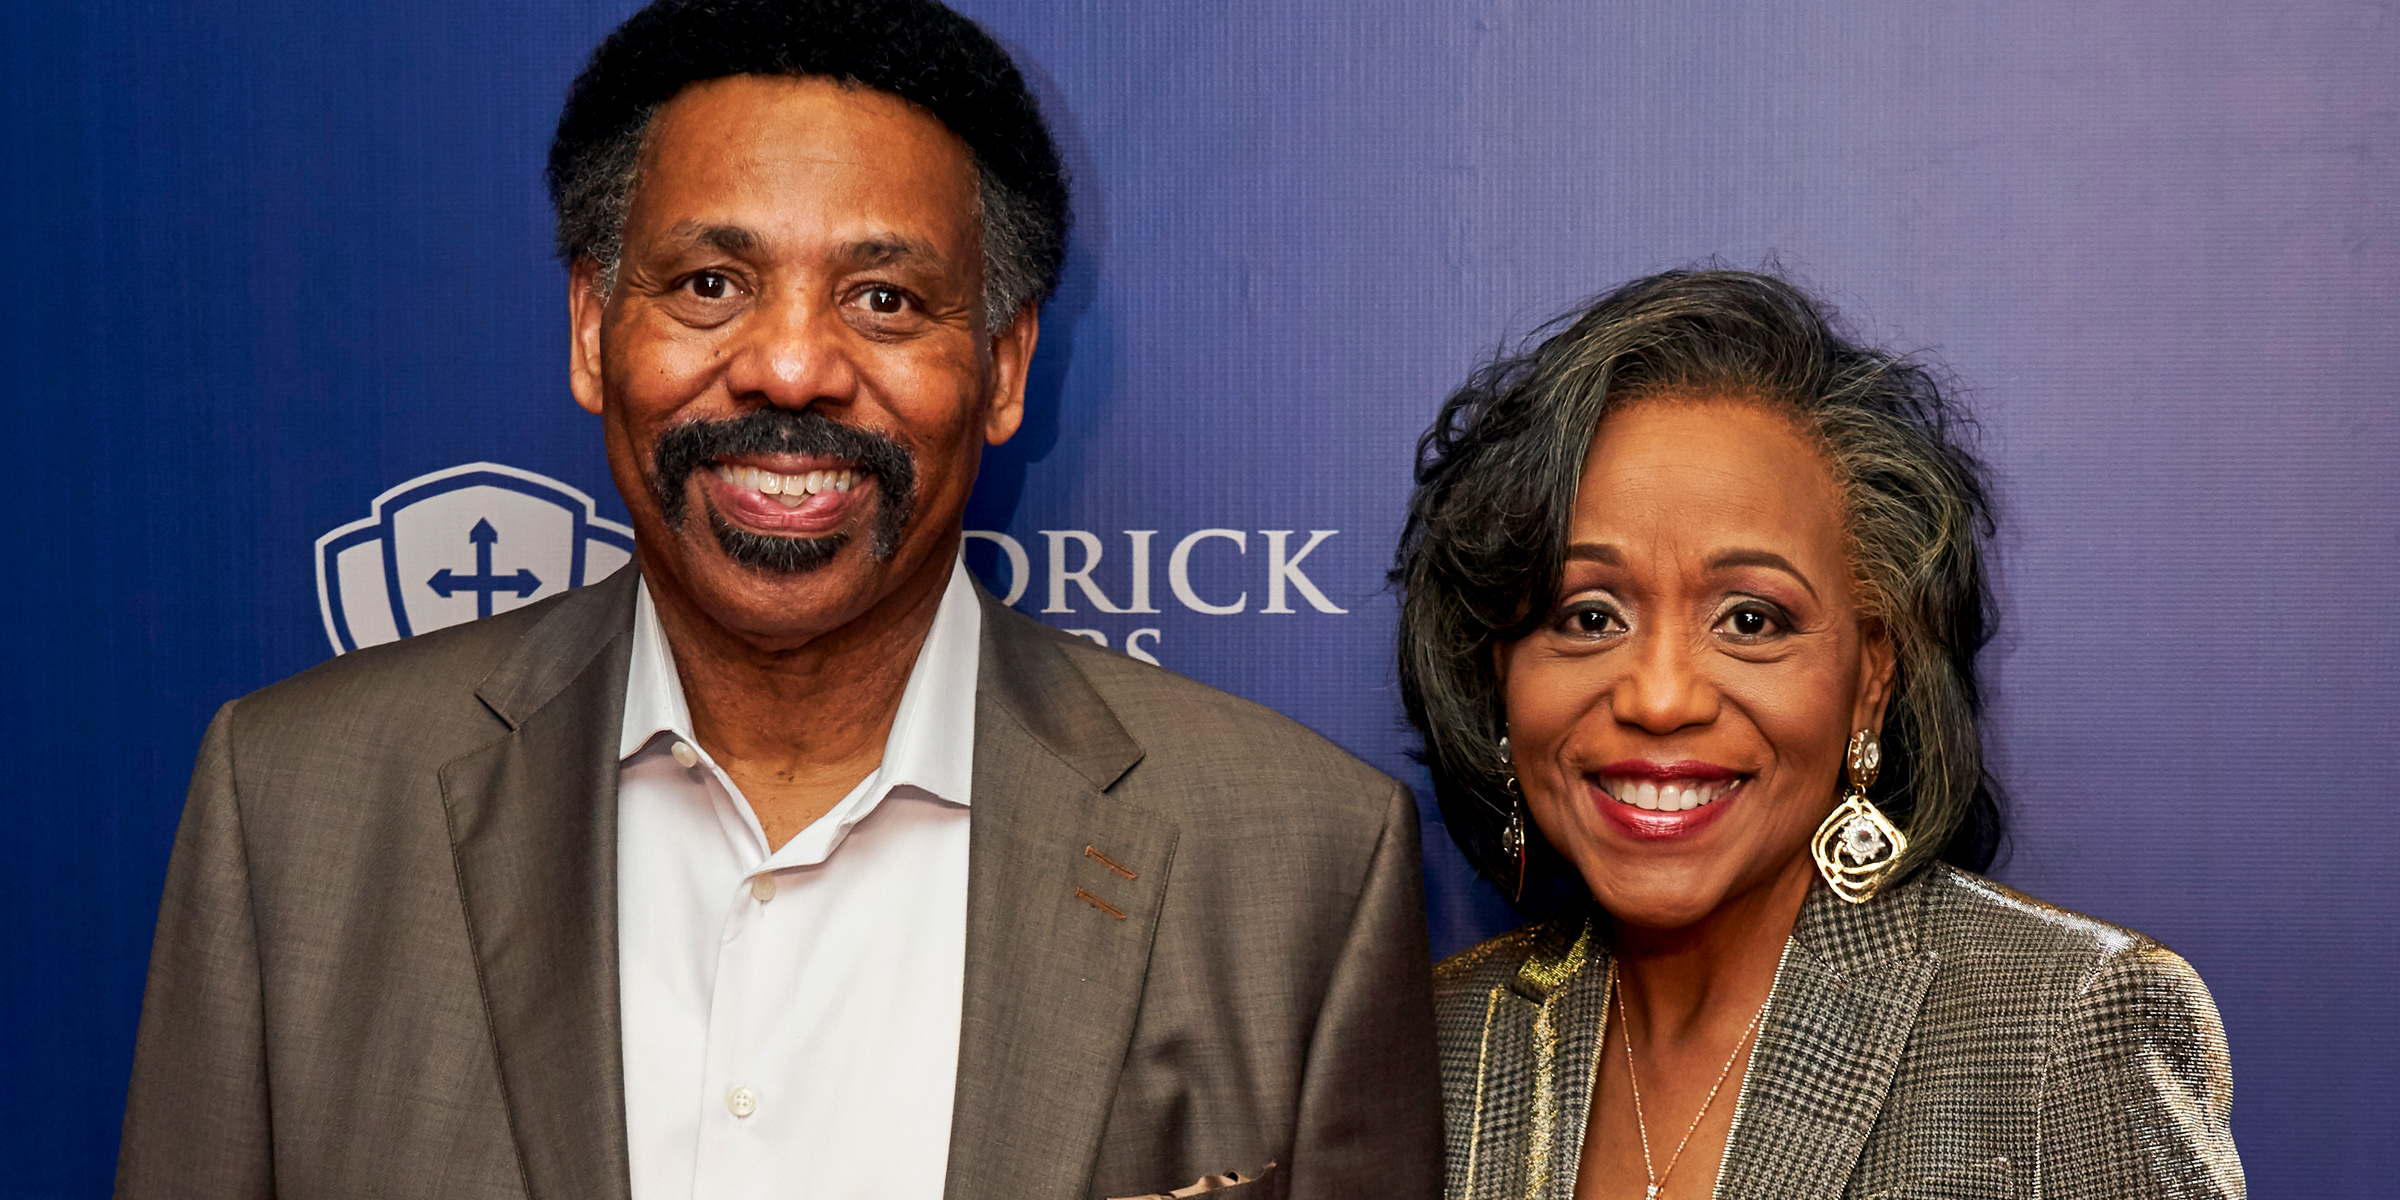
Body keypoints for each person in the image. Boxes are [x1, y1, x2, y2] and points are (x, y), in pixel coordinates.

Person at [115, 2, 1441, 1197]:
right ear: (591, 325)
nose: (793, 366)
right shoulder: (290, 810)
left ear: (1004, 366)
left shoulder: (1298, 861)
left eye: (883, 298)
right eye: (710, 286)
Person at [1393, 270, 2244, 1199]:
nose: (1662, 697)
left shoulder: (2065, 1023)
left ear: (1872, 677)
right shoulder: (1438, 1038)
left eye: (1751, 620)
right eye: (1590, 616)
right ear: (1499, 673)